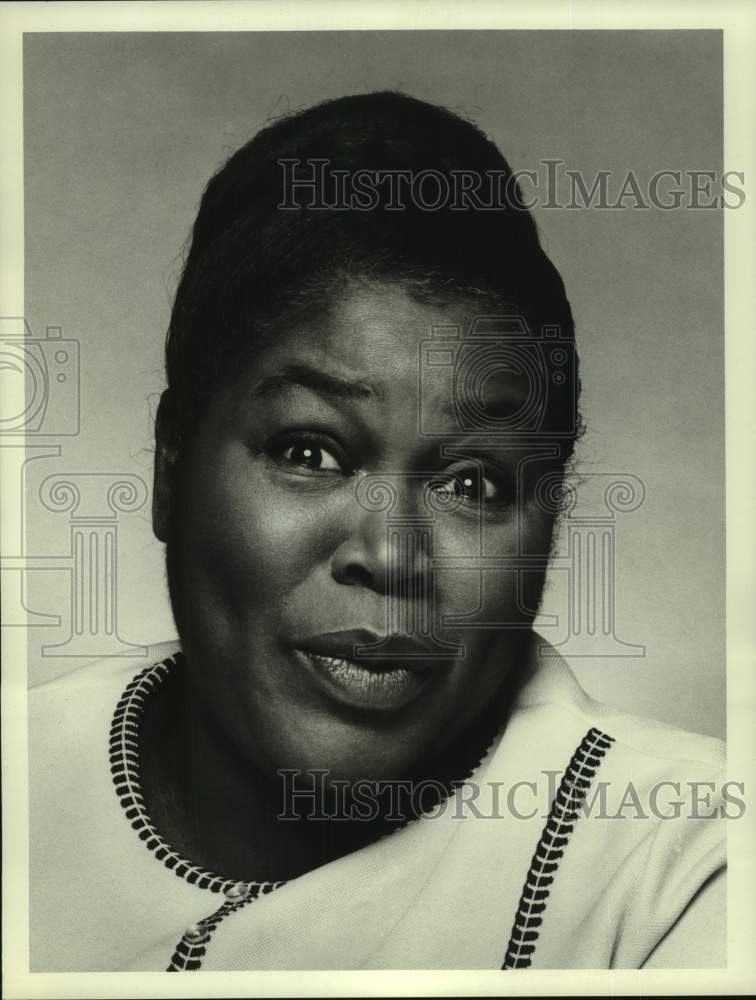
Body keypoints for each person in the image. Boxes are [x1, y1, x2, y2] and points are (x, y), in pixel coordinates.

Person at [29, 91, 726, 972]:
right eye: (309, 451)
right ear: (171, 467)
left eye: (473, 482)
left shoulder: (683, 872)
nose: (390, 555)